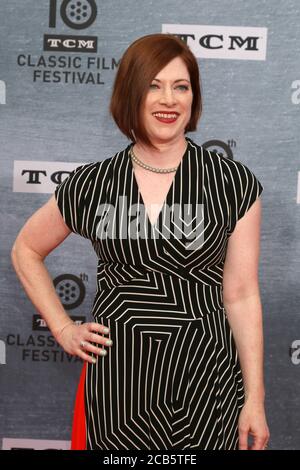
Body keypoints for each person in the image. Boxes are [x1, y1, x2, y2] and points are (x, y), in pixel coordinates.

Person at [11, 33, 270, 450]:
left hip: (209, 382)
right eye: (154, 85)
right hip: (119, 385)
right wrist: (62, 328)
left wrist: (255, 397)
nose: (169, 99)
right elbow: (26, 249)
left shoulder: (233, 183)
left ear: (193, 97)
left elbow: (240, 295)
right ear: (131, 93)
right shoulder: (94, 182)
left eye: (181, 86)